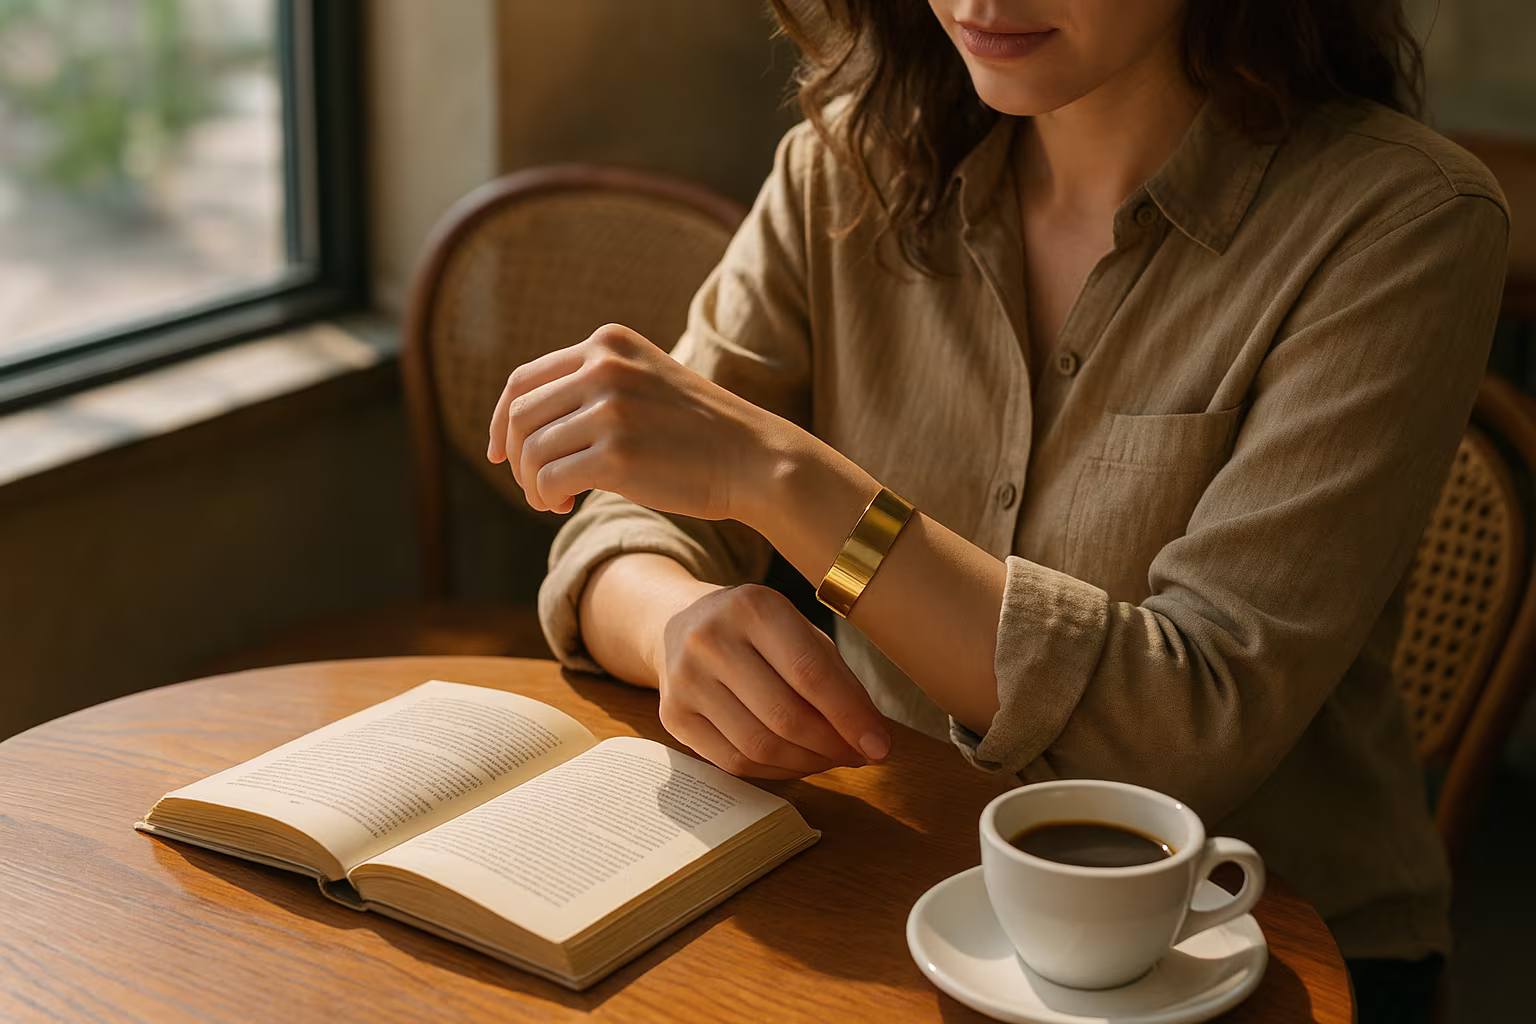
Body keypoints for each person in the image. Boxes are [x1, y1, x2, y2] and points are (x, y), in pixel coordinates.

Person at [486, 2, 1508, 1020]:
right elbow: (623, 530)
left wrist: (785, 478)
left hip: (1262, 951)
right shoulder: (846, 168)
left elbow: (1186, 728)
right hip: (906, 901)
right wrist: (673, 628)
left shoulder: (1405, 221)